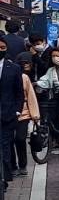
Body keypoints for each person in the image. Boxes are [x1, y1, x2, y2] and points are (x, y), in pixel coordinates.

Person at [36, 47, 59, 147]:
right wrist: (37, 83)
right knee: (52, 115)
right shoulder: (50, 70)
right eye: (53, 56)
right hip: (56, 97)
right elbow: (45, 81)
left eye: (57, 56)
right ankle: (56, 138)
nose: (55, 58)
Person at [0, 38, 24, 184]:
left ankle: (5, 177)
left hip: (7, 114)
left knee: (5, 146)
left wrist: (17, 110)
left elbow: (19, 92)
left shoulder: (13, 68)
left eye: (2, 47)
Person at [13, 53, 39, 176]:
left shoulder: (24, 78)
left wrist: (35, 115)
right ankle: (12, 165)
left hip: (23, 113)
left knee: (20, 139)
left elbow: (30, 96)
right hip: (8, 113)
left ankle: (22, 165)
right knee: (8, 141)